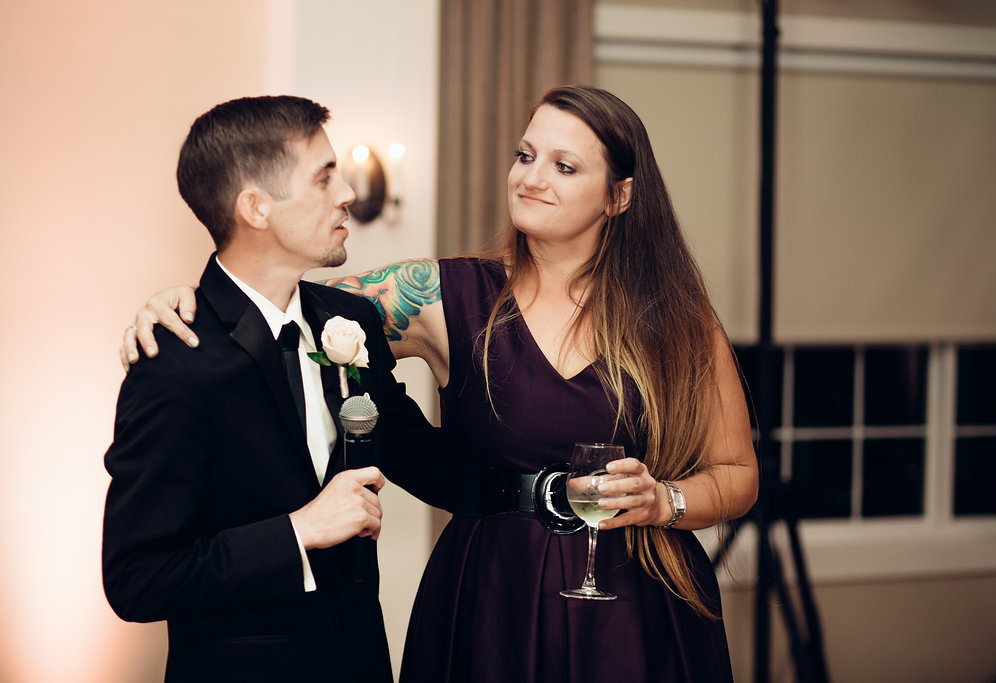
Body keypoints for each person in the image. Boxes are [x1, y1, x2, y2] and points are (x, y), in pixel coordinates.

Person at [125, 85, 759, 682]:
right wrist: (182, 302)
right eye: (525, 155)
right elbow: (271, 305)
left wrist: (664, 503)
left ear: (618, 197)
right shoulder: (437, 296)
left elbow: (737, 473)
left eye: (565, 167)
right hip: (492, 602)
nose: (531, 177)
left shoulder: (677, 315)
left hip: (639, 606)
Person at [103, 95, 442, 683]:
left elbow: (432, 463)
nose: (346, 194)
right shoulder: (174, 360)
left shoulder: (351, 323)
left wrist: (557, 484)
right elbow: (138, 578)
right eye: (324, 177)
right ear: (256, 207)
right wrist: (297, 531)